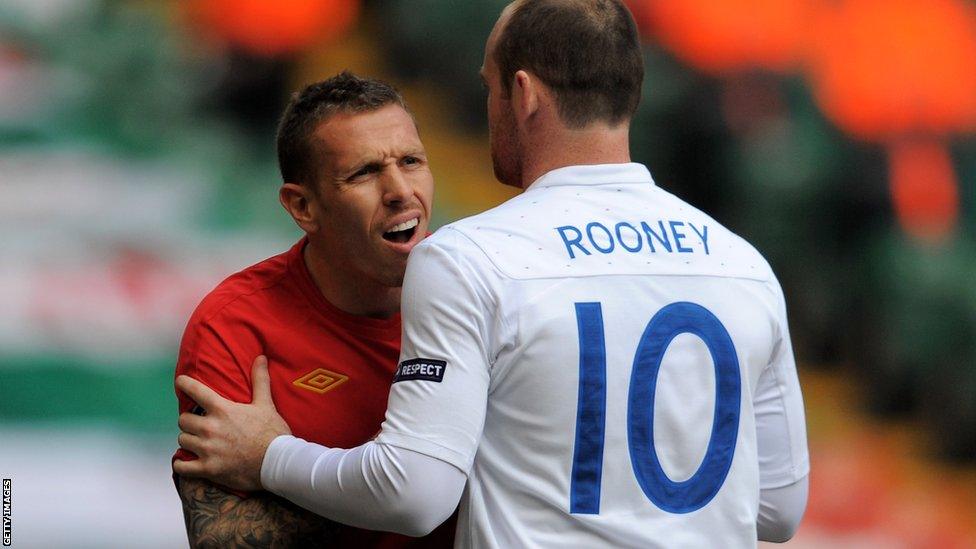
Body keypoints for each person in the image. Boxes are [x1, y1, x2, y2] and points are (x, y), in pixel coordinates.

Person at [174, 1, 810, 547]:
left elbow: (417, 493)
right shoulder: (742, 265)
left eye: (489, 86)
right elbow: (778, 508)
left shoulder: (473, 258)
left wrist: (271, 456)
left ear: (525, 94)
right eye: (366, 172)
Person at [172, 71, 455, 548]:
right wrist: (419, 481)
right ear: (303, 206)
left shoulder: (484, 292)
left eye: (411, 161)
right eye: (364, 173)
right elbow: (219, 537)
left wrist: (272, 459)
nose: (400, 190)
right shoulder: (235, 324)